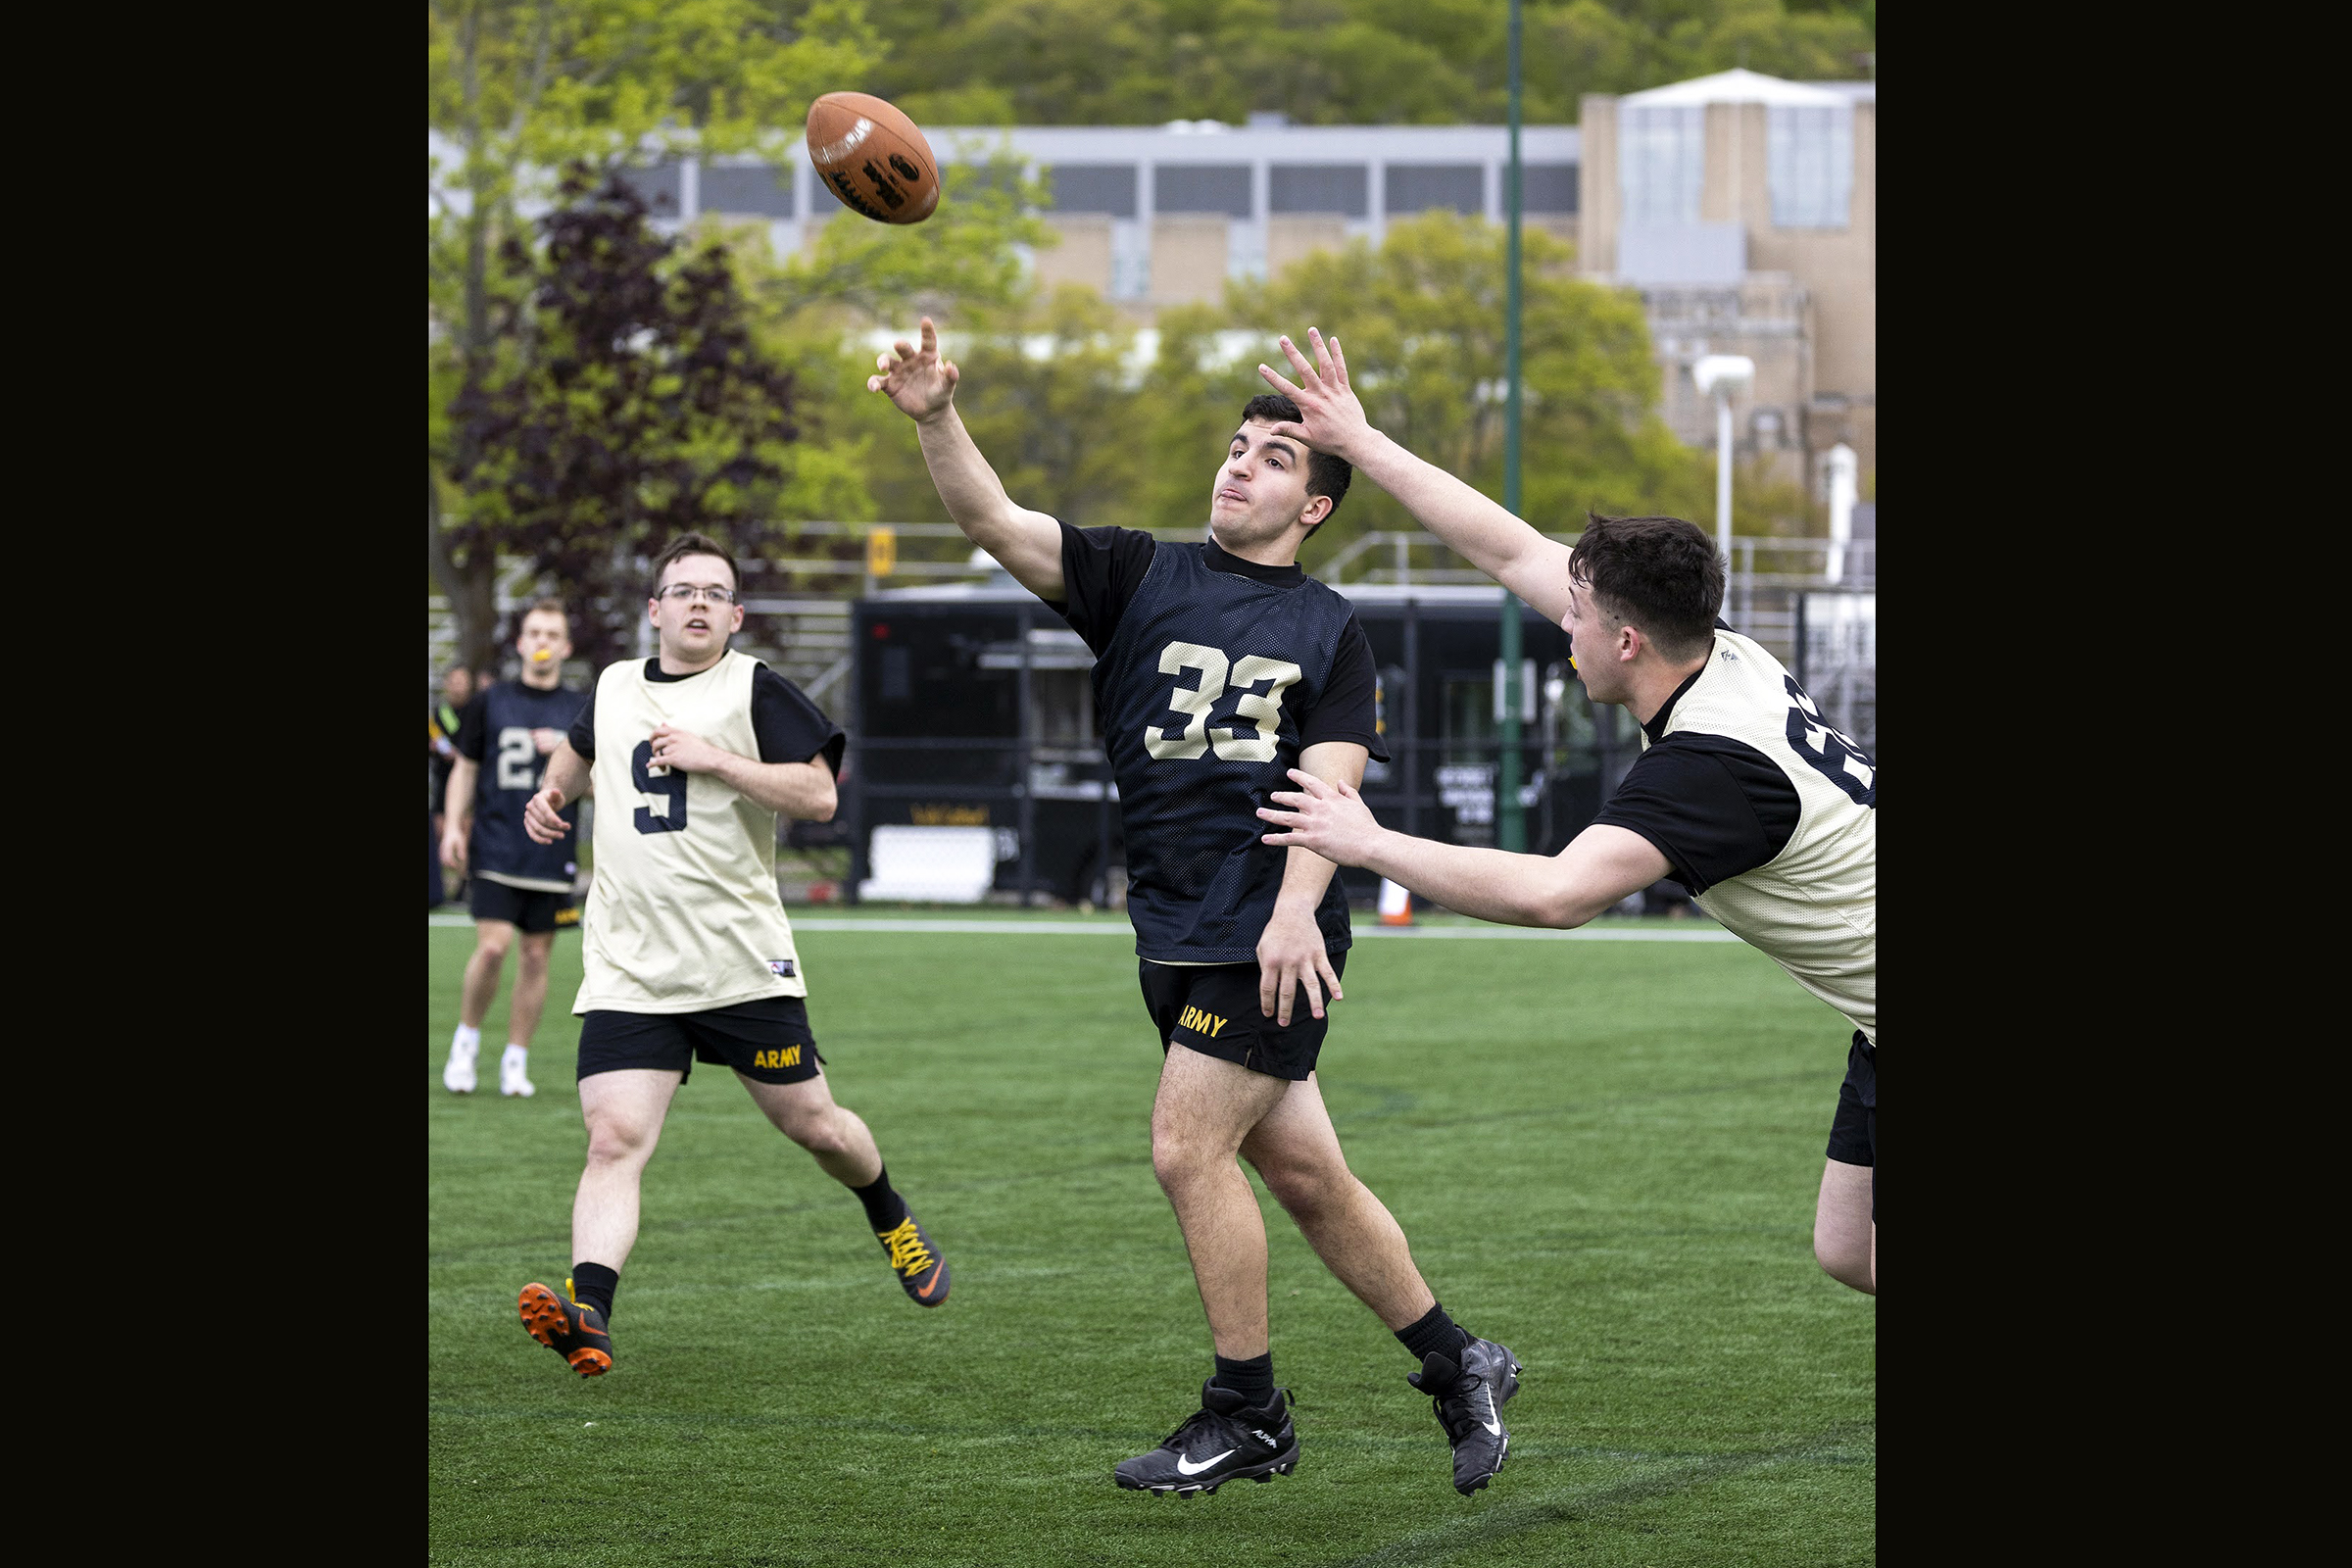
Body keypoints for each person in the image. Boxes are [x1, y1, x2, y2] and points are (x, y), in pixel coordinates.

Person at [869, 318, 1520, 1497]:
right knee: (1310, 1181)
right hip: (1171, 930)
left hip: (1267, 934)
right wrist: (937, 417)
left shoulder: (1329, 626)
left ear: (1314, 505)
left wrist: (1295, 910)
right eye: (1236, 447)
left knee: (1185, 1149)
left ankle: (1248, 1411)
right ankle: (1458, 1360)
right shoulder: (1138, 574)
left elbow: (1331, 791)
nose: (1239, 466)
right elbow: (994, 520)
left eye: (1274, 457)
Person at [1249, 329, 1877, 1296]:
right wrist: (1361, 443)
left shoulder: (1709, 762)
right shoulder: (1711, 649)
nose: (1562, 628)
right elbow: (1508, 549)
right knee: (1850, 1247)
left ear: (1626, 642)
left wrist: (1368, 841)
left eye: (1575, 617)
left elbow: (1556, 895)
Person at [508, 532, 950, 1380]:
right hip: (632, 968)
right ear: (655, 609)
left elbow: (818, 795)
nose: (699, 603)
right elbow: (581, 745)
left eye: (715, 592)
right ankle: (589, 1314)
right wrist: (552, 791)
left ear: (737, 615)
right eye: (683, 590)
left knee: (817, 1127)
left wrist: (715, 759)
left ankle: (888, 1211)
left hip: (739, 964)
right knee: (613, 1140)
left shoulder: (753, 688)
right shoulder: (613, 685)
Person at [441, 607, 587, 1098]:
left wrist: (565, 749)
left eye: (552, 634)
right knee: (492, 947)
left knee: (536, 956)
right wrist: (453, 827)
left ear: (566, 647)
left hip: (551, 849)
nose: (542, 641)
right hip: (497, 843)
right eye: (534, 632)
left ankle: (515, 1059)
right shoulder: (491, 701)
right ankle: (466, 1042)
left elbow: (600, 778)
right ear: (521, 643)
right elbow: (465, 767)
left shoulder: (581, 709)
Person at [429, 664, 474, 909]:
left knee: (464, 832)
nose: (458, 686)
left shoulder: (475, 711)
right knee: (440, 831)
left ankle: (463, 885)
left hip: (466, 782)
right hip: (443, 780)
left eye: (461, 681)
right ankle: (439, 886)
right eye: (453, 681)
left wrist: (461, 754)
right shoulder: (440, 713)